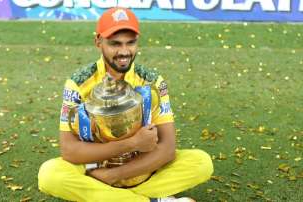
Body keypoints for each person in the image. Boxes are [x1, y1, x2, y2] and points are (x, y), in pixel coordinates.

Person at [38, 7, 213, 202]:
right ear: (98, 42)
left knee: (201, 163)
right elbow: (69, 150)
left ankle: (113, 197)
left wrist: (113, 176)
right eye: (115, 44)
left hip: (137, 169)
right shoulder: (78, 83)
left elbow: (167, 148)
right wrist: (131, 143)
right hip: (95, 166)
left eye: (131, 43)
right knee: (50, 175)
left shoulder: (152, 82)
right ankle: (153, 199)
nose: (124, 51)